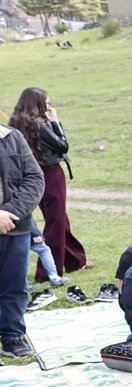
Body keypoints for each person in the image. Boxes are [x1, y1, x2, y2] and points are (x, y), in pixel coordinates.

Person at [10, 88, 88, 283]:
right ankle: (47, 272)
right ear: (38, 104)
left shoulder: (16, 123)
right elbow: (62, 146)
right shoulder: (39, 124)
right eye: (47, 103)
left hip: (29, 175)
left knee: (60, 219)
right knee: (56, 222)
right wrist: (55, 122)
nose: (50, 107)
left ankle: (74, 259)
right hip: (50, 173)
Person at [0, 117, 45, 360]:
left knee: (15, 286)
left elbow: (35, 179)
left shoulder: (13, 137)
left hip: (15, 227)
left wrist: (10, 213)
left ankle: (13, 336)